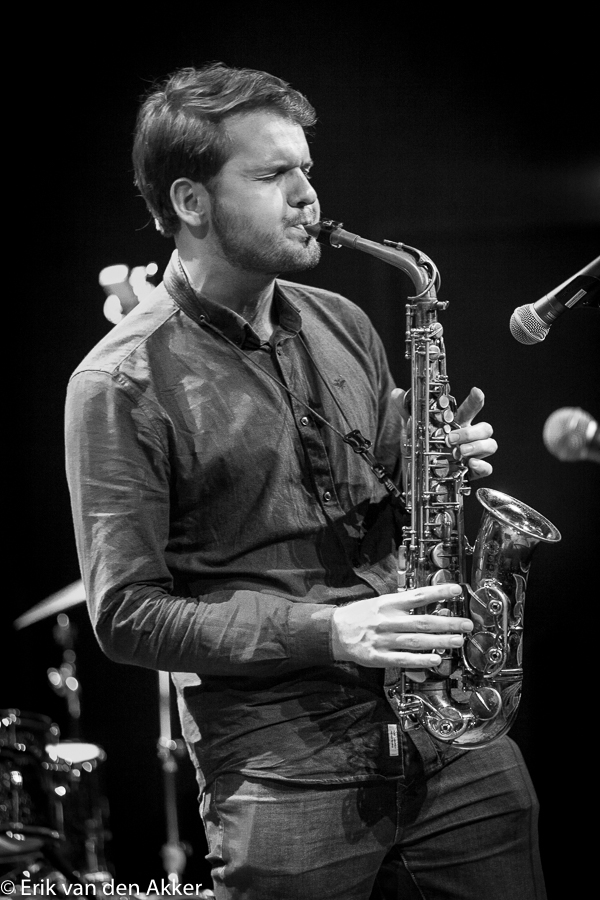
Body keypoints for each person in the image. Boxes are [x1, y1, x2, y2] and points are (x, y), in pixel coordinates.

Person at [65, 63, 545, 900]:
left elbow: (390, 491)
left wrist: (431, 463)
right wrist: (327, 631)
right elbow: (126, 616)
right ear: (191, 202)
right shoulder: (119, 383)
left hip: (453, 734)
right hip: (284, 770)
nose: (307, 196)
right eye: (272, 175)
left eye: (306, 169)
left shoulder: (344, 321)